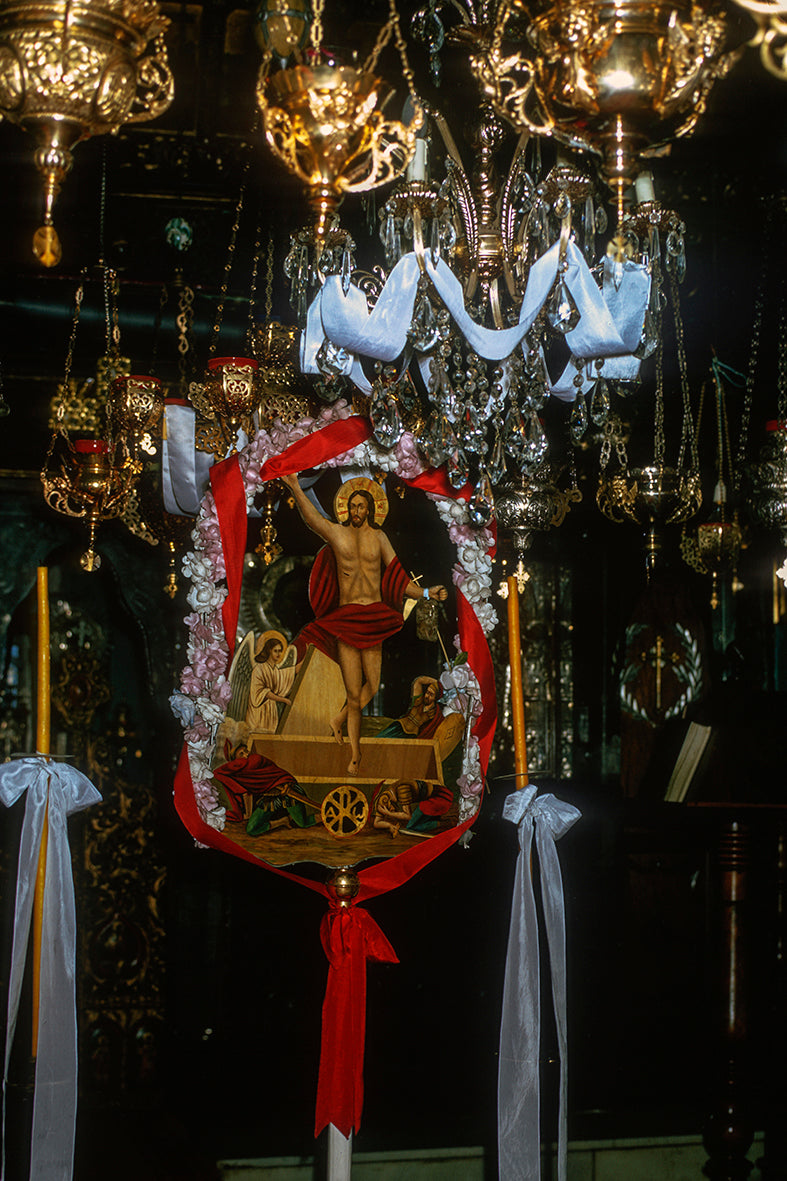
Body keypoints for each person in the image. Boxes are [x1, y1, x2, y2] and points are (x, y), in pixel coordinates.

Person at [280, 473, 448, 776]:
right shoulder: (337, 534)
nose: (357, 512)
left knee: (371, 685)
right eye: (353, 507)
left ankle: (338, 718)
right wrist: (294, 486)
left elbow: (399, 577)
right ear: (347, 509)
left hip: (374, 618)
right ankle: (355, 754)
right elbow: (312, 519)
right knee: (354, 692)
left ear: (370, 509)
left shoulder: (380, 537)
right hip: (347, 619)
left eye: (362, 507)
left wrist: (426, 592)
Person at [245, 632, 300, 735]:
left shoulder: (275, 670)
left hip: (270, 712)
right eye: (276, 651)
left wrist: (310, 653)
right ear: (268, 651)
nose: (279, 654)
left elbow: (291, 672)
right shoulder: (259, 669)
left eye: (280, 651)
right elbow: (262, 692)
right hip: (258, 712)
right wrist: (283, 700)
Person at [377, 675, 443, 740]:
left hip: (410, 734)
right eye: (427, 692)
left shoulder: (434, 713)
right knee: (377, 740)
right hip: (398, 726)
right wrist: (437, 683)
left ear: (436, 697)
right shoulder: (418, 701)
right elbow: (418, 681)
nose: (427, 696)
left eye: (431, 694)